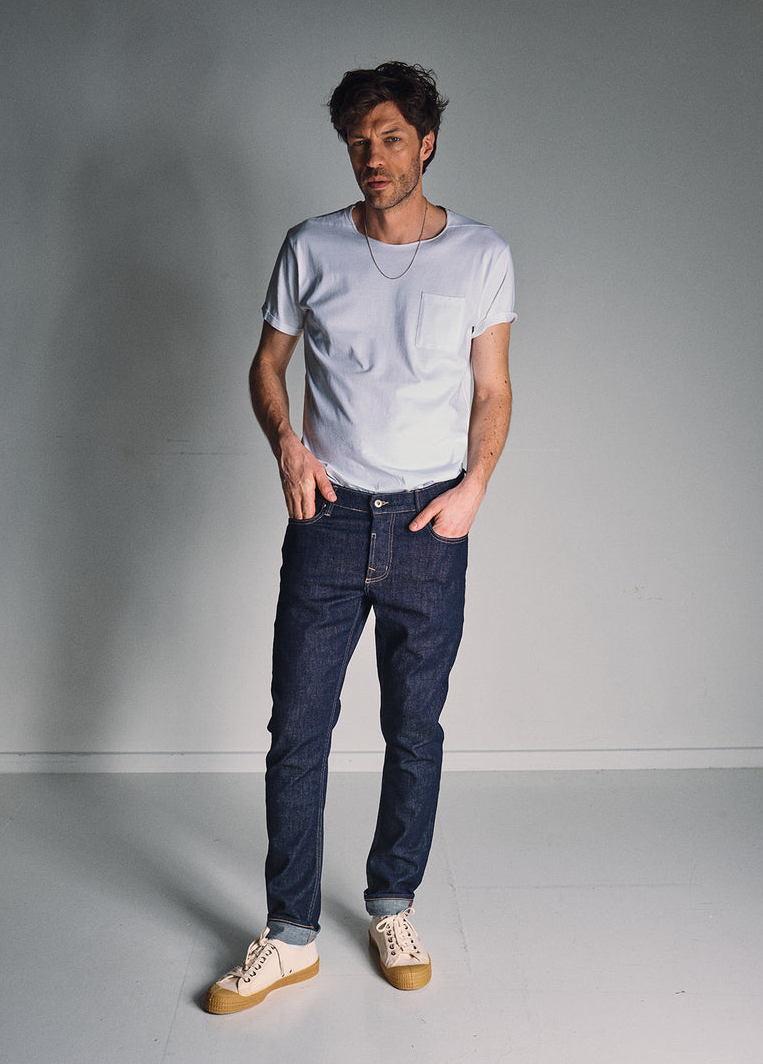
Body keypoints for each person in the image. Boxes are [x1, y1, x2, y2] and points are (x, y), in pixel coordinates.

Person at [204, 61, 516, 1014]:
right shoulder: (311, 247)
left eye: (388, 138)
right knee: (297, 727)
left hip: (431, 520)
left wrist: (474, 488)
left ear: (425, 142)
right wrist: (287, 448)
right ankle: (290, 930)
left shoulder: (481, 255)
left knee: (413, 725)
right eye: (356, 140)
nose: (371, 157)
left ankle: (391, 899)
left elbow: (493, 387)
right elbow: (266, 365)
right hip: (328, 514)